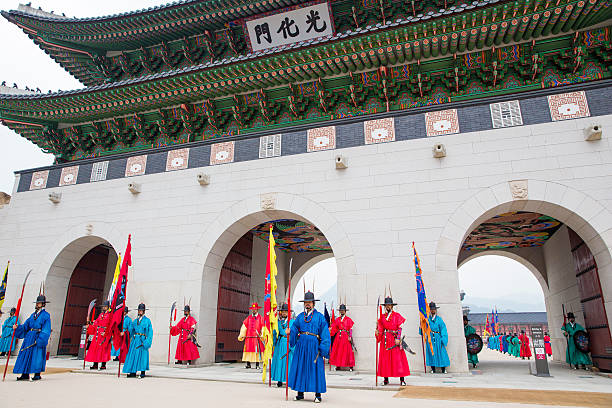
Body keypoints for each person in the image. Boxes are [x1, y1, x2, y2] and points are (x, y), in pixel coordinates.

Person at [287, 291, 331, 403]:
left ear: (313, 303)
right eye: (306, 302)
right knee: (300, 368)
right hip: (301, 347)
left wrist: (323, 348)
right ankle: (300, 393)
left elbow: (325, 334)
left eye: (310, 302)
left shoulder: (320, 317)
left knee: (315, 369)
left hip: (314, 347)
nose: (308, 304)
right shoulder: (300, 317)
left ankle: (318, 395)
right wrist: (290, 331)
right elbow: (294, 329)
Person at [12, 295, 51, 381]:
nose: (37, 304)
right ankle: (25, 374)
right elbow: (25, 326)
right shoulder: (32, 315)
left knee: (37, 356)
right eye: (37, 303)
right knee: (26, 354)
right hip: (29, 337)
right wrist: (17, 328)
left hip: (38, 336)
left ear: (43, 304)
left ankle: (37, 374)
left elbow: (46, 329)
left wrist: (41, 339)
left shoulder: (46, 315)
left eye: (39, 303)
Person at [376, 296, 410, 385]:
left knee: (398, 359)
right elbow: (380, 329)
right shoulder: (382, 317)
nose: (388, 306)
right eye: (386, 305)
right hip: (385, 340)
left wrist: (398, 338)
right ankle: (385, 380)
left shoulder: (397, 316)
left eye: (389, 305)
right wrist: (377, 332)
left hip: (394, 340)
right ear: (385, 306)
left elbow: (400, 328)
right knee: (385, 360)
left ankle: (402, 380)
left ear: (392, 306)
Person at [123, 303, 153, 378]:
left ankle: (142, 372)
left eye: (141, 310)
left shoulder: (147, 321)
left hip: (142, 340)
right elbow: (130, 330)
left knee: (142, 356)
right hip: (135, 340)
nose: (140, 311)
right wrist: (124, 334)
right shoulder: (135, 321)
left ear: (144, 311)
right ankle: (133, 371)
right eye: (139, 310)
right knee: (133, 355)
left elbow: (150, 332)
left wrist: (147, 342)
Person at [423, 302, 450, 373]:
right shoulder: (427, 319)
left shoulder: (439, 319)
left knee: (441, 353)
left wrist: (443, 338)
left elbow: (443, 329)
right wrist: (421, 324)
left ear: (435, 310)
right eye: (431, 309)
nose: (432, 311)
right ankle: (433, 368)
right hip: (430, 338)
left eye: (434, 309)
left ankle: (443, 369)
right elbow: (423, 329)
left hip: (438, 338)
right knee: (431, 353)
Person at [85, 300, 112, 370]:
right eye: (103, 307)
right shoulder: (100, 315)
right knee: (95, 349)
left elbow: (111, 325)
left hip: (104, 334)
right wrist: (90, 324)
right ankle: (95, 364)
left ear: (108, 307)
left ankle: (103, 364)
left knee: (104, 349)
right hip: (98, 334)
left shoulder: (109, 315)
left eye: (105, 307)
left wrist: (106, 332)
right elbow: (96, 323)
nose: (104, 308)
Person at [271, 303, 293, 387]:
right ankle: (279, 380)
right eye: (283, 312)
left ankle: (289, 380)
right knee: (279, 361)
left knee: (288, 362)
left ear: (288, 312)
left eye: (286, 312)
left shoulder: (292, 322)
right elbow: (274, 333)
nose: (284, 313)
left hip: (288, 343)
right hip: (280, 344)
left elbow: (294, 333)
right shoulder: (278, 322)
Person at [238, 302, 264, 369]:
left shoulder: (261, 318)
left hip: (256, 338)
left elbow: (263, 327)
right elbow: (244, 326)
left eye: (255, 309)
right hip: (249, 338)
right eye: (253, 309)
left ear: (257, 309)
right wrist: (242, 335)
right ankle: (248, 364)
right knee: (248, 350)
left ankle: (257, 365)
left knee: (257, 351)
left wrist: (262, 335)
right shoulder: (248, 318)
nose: (254, 310)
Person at [329, 304, 355, 371]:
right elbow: (334, 328)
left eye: (343, 310)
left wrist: (350, 336)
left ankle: (350, 366)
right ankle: (338, 365)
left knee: (347, 351)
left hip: (346, 336)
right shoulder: (337, 319)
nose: (342, 311)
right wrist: (330, 329)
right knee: (338, 350)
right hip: (339, 337)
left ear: (345, 311)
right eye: (341, 310)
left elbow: (351, 329)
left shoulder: (348, 320)